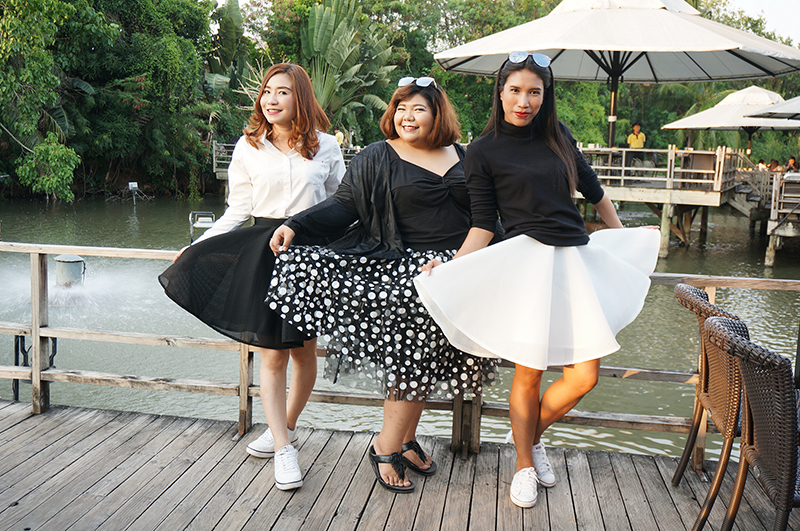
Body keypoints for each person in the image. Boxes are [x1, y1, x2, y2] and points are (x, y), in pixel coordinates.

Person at [416, 52, 659, 508]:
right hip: (529, 265)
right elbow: (482, 224)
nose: (523, 101)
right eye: (515, 91)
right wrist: (449, 266)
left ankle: (528, 436)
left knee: (584, 376)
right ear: (500, 92)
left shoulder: (558, 136)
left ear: (546, 96)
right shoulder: (483, 149)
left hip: (576, 260)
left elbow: (596, 193)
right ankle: (524, 464)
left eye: (534, 92)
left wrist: (622, 239)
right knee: (530, 372)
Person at [267, 76, 496, 493]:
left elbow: (486, 216)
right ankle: (385, 447)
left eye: (419, 109)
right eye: (401, 109)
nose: (408, 117)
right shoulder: (377, 155)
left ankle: (406, 441)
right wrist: (295, 225)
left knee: (433, 361)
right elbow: (342, 206)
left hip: (457, 269)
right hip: (405, 274)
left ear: (438, 114)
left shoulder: (464, 155)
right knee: (413, 362)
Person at [158, 63, 344, 491]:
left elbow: (341, 204)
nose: (271, 99)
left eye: (282, 92)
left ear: (300, 97)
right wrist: (197, 245)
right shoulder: (249, 146)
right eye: (267, 91)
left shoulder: (327, 146)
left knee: (304, 353)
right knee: (272, 355)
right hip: (265, 253)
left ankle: (286, 426)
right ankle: (283, 447)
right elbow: (238, 210)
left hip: (310, 255)